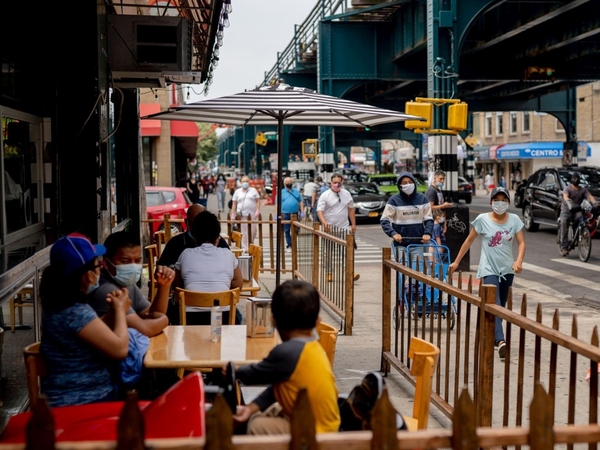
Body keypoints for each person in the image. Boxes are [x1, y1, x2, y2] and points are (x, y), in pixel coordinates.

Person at [231, 280, 340, 435]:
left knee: (257, 426)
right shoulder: (313, 347)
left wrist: (233, 369)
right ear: (318, 321)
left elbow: (251, 375)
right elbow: (278, 387)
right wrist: (251, 407)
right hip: (322, 423)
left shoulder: (286, 352)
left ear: (273, 321)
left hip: (315, 432)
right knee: (266, 413)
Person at [40, 233, 130, 407]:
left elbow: (91, 330)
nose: (101, 269)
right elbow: (120, 350)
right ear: (87, 276)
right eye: (99, 265)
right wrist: (120, 310)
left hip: (68, 398)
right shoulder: (75, 311)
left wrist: (112, 311)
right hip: (84, 401)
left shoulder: (59, 305)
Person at [448, 187, 525, 361]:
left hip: (507, 270)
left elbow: (521, 243)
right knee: (495, 303)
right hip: (488, 269)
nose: (500, 203)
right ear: (491, 202)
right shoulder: (482, 220)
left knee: (500, 306)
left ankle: (493, 333)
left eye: (504, 200)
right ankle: (501, 341)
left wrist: (519, 261)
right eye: (496, 200)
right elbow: (468, 241)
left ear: (508, 202)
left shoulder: (514, 220)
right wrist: (456, 261)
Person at [90, 231, 173, 337]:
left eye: (138, 261)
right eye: (125, 261)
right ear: (105, 263)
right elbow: (145, 329)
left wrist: (164, 285)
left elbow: (152, 313)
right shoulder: (107, 291)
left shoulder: (127, 284)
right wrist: (165, 320)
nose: (133, 266)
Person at [174, 211, 244, 324]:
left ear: (194, 237)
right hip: (223, 318)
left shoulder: (185, 254)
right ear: (218, 237)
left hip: (190, 319)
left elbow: (177, 286)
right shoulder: (228, 254)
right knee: (238, 316)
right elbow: (238, 285)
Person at [317, 174, 360, 282]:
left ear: (342, 183)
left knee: (346, 251)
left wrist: (353, 224)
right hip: (329, 229)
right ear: (330, 183)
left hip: (343, 228)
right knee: (328, 252)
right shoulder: (325, 195)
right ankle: (329, 273)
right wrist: (324, 222)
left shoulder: (346, 194)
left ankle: (349, 272)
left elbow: (351, 210)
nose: (336, 184)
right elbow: (320, 211)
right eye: (334, 182)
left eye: (338, 182)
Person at [380, 171, 433, 247]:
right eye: (404, 183)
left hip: (419, 243)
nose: (408, 184)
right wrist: (393, 234)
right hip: (400, 244)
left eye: (410, 182)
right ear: (400, 186)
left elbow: (429, 219)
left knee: (419, 259)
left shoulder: (423, 199)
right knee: (403, 259)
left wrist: (427, 233)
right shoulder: (393, 200)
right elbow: (384, 220)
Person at [560, 171, 596, 256]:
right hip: (566, 210)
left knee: (582, 221)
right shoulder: (567, 188)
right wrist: (569, 202)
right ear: (571, 180)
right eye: (574, 178)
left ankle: (579, 236)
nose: (576, 180)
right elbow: (565, 196)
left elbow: (590, 196)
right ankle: (564, 247)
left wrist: (594, 202)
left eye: (577, 178)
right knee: (564, 226)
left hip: (577, 210)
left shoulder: (583, 190)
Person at [231, 175, 261, 250]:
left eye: (247, 181)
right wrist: (233, 213)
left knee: (253, 231)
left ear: (249, 182)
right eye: (243, 181)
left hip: (252, 214)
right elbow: (234, 203)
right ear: (241, 182)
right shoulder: (237, 192)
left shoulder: (253, 190)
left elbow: (257, 201)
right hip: (242, 215)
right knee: (244, 232)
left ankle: (251, 242)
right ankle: (246, 247)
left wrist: (257, 210)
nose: (245, 183)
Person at [281, 176, 303, 250]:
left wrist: (302, 211)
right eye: (287, 182)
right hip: (285, 213)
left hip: (295, 213)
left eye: (290, 182)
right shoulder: (282, 192)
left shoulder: (296, 191)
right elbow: (278, 203)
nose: (289, 183)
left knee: (296, 229)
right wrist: (276, 214)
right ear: (284, 184)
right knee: (287, 230)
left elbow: (301, 201)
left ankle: (293, 242)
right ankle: (289, 244)